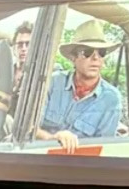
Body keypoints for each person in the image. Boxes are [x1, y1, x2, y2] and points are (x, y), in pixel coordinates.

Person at [37, 19, 123, 153]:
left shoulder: (111, 99)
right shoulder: (53, 83)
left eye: (101, 53)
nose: (95, 58)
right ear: (73, 57)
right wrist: (54, 138)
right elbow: (30, 128)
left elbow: (104, 149)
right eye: (87, 52)